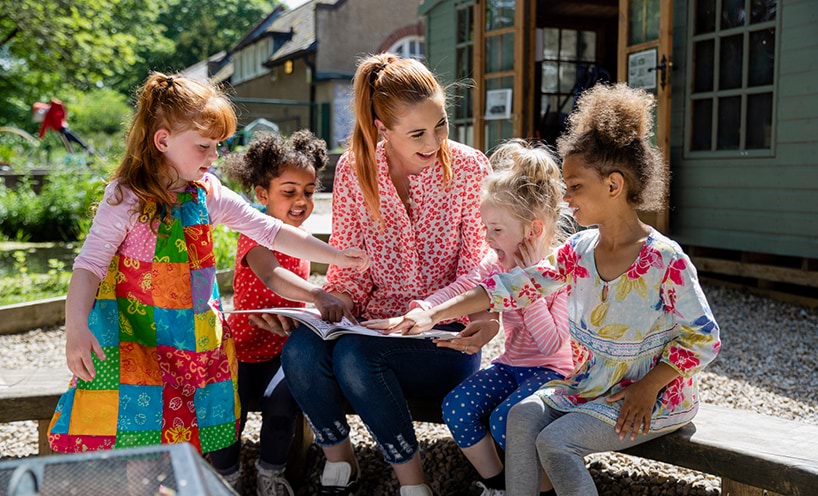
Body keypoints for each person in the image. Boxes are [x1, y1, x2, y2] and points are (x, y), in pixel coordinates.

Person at [381, 83, 721, 496]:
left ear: (613, 186)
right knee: (523, 416)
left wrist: (648, 388)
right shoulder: (579, 251)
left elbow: (704, 339)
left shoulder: (665, 259)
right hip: (593, 386)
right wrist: (431, 314)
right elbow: (508, 288)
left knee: (555, 442)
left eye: (575, 186)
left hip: (654, 398)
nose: (565, 197)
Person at [46, 73, 367, 461]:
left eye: (217, 145)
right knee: (135, 438)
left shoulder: (207, 192)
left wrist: (336, 254)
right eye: (204, 146)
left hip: (193, 343)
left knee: (188, 437)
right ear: (162, 140)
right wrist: (76, 327)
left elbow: (270, 229)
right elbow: (89, 266)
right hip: (135, 340)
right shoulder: (126, 197)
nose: (214, 156)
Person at [266, 53, 491, 496]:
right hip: (370, 327)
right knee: (299, 351)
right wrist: (333, 301)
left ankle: (414, 486)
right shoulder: (355, 170)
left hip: (443, 337)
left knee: (354, 356)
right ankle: (341, 459)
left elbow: (479, 268)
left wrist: (427, 311)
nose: (435, 142)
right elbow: (349, 269)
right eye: (418, 133)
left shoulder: (469, 168)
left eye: (441, 125)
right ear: (382, 129)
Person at [368, 139, 574, 496]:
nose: (486, 236)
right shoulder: (497, 263)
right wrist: (424, 310)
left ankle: (544, 490)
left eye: (496, 229)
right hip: (513, 365)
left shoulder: (559, 271)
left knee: (507, 420)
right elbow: (466, 286)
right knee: (457, 407)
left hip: (555, 373)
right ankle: (500, 485)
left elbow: (553, 344)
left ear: (534, 230)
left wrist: (526, 289)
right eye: (485, 226)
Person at [209, 130, 352, 495]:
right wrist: (317, 294)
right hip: (240, 349)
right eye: (288, 192)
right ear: (262, 195)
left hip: (280, 349)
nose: (301, 201)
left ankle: (270, 474)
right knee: (229, 412)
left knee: (282, 405)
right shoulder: (254, 233)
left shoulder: (301, 237)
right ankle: (225, 476)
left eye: (307, 191)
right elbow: (273, 276)